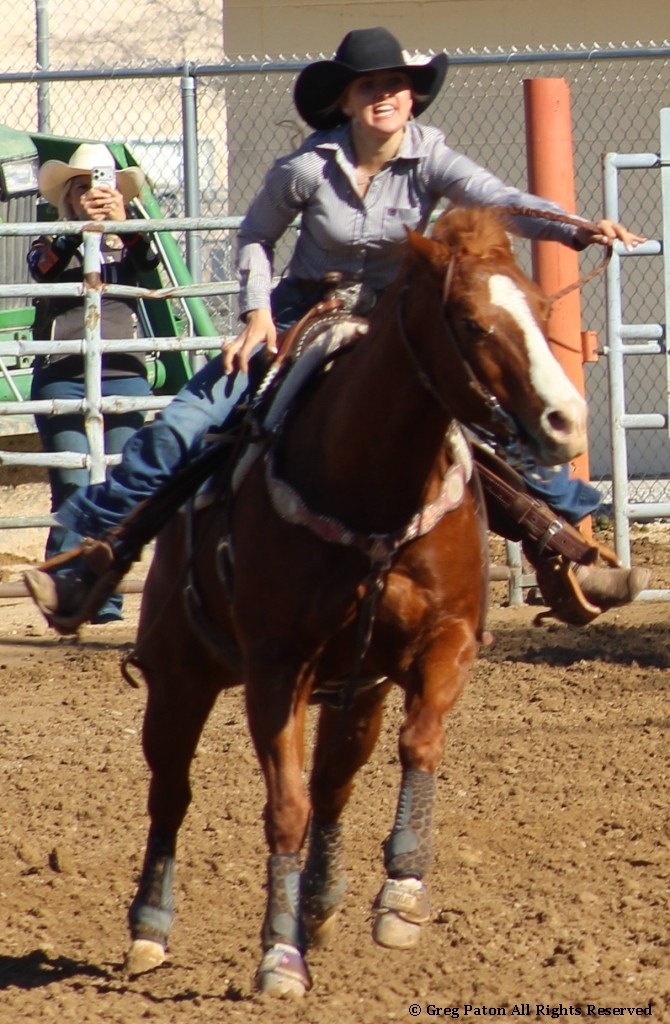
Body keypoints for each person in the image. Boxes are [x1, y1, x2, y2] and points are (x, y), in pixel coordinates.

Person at [24, 26, 650, 633]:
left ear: (412, 96)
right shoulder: (306, 168)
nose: (384, 95)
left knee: (494, 412)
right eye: (368, 85)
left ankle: (571, 553)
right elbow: (257, 238)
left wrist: (577, 227)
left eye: (396, 84)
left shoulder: (430, 157)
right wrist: (256, 314)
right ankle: (87, 561)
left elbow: (500, 201)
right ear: (345, 100)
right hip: (302, 313)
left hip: (391, 322)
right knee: (185, 426)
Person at [27, 143, 159, 623]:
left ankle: (105, 597)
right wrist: (78, 235)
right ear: (66, 197)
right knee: (74, 484)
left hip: (123, 370)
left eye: (99, 186)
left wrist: (123, 226)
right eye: (80, 187)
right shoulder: (48, 238)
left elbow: (151, 267)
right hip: (62, 376)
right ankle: (63, 589)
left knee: (122, 483)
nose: (91, 195)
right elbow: (40, 270)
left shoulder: (129, 239)